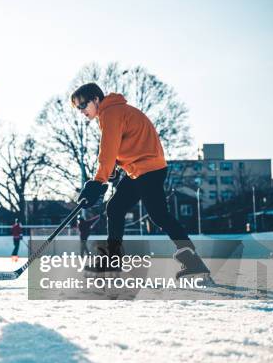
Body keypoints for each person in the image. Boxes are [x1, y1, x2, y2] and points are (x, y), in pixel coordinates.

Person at [71, 83, 210, 279]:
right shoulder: (116, 111)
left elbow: (108, 151)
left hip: (147, 169)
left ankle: (193, 261)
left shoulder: (111, 113)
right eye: (78, 108)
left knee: (159, 215)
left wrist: (98, 181)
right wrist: (114, 170)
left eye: (83, 105)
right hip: (139, 170)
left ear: (96, 99)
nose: (81, 111)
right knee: (115, 208)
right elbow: (128, 144)